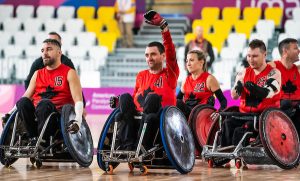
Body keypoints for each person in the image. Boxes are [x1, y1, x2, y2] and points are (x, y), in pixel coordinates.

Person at [109, 10, 179, 151]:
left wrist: (163, 27)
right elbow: (135, 97)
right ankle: (127, 146)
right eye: (147, 55)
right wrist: (119, 102)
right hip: (138, 116)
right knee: (124, 97)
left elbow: (171, 52)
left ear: (162, 56)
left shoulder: (170, 74)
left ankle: (140, 146)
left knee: (152, 98)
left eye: (153, 54)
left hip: (158, 117)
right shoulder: (141, 75)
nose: (149, 58)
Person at [3, 39, 84, 145]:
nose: (44, 53)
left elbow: (78, 100)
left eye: (49, 49)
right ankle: (33, 138)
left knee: (44, 104)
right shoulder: (37, 73)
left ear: (59, 52)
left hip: (57, 117)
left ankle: (43, 140)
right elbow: (26, 96)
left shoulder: (70, 72)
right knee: (22, 102)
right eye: (42, 50)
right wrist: (9, 113)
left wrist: (78, 120)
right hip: (36, 116)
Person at [220, 39, 281, 147]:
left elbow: (268, 93)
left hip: (263, 116)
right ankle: (223, 155)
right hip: (245, 113)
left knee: (242, 129)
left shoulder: (274, 72)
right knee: (227, 123)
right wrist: (238, 87)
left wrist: (253, 88)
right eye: (248, 56)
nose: (251, 59)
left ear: (264, 54)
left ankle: (237, 156)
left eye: (255, 56)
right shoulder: (243, 73)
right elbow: (234, 96)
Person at [177, 49, 227, 119]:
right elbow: (177, 99)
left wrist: (219, 112)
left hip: (202, 116)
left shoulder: (209, 79)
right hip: (187, 116)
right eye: (187, 61)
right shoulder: (185, 80)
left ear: (201, 62)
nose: (188, 64)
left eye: (191, 60)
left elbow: (223, 101)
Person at [268, 38, 300, 132]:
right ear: (285, 51)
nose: (299, 50)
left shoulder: (298, 69)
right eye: (295, 48)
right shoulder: (272, 67)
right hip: (280, 110)